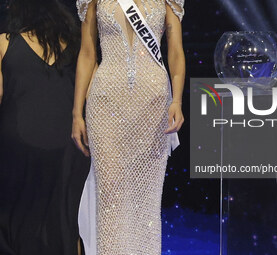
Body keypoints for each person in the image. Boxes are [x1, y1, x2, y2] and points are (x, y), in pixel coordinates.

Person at [72, 0, 185, 254]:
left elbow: (176, 51)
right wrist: (76, 113)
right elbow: (87, 53)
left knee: (146, 197)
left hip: (153, 103)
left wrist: (177, 99)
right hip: (105, 103)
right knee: (109, 192)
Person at [0, 0, 91, 254]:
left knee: (16, 222)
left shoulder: (4, 43)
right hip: (68, 149)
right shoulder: (77, 50)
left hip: (16, 149)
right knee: (64, 222)